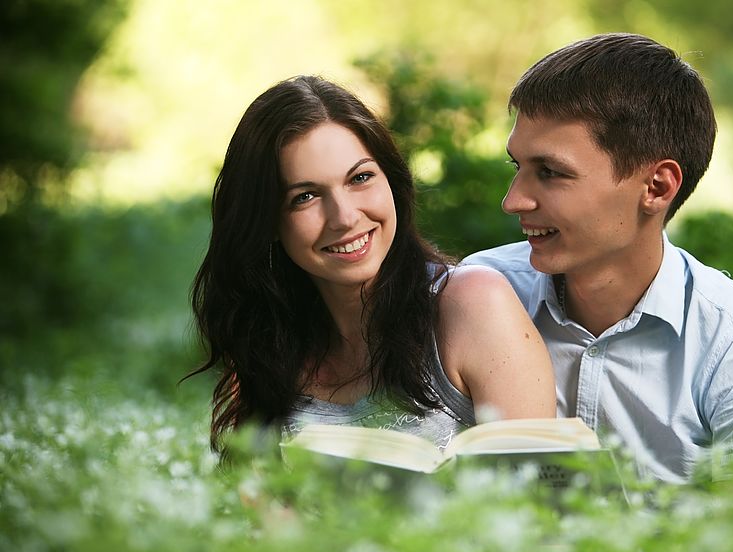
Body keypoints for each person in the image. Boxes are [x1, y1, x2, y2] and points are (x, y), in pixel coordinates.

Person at [462, 33, 733, 483]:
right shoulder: (479, 293)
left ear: (657, 188)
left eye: (549, 173)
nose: (513, 201)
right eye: (518, 168)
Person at [189, 76, 555, 460]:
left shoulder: (473, 303)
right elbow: (251, 509)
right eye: (305, 196)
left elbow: (536, 499)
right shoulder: (268, 349)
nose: (344, 217)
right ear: (266, 221)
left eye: (360, 178)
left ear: (392, 182)